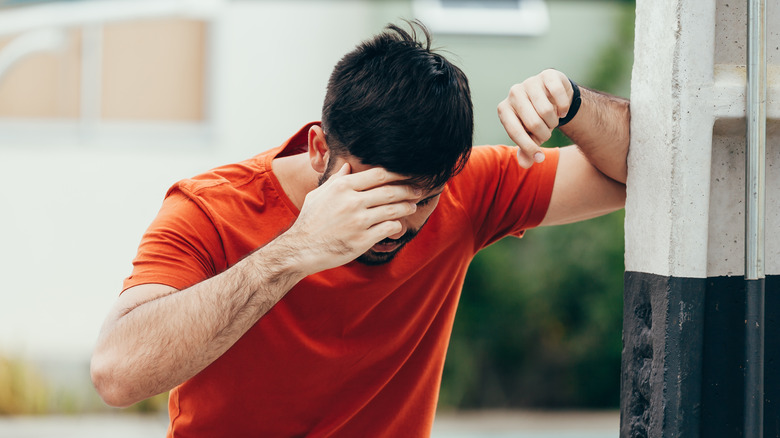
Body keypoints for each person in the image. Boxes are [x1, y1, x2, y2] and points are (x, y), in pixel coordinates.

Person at [91, 21, 629, 437]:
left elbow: (654, 170)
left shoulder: (468, 188)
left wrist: (572, 102)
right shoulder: (210, 208)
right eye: (374, 193)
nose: (395, 221)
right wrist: (295, 251)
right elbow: (117, 373)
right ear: (320, 148)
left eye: (421, 199)